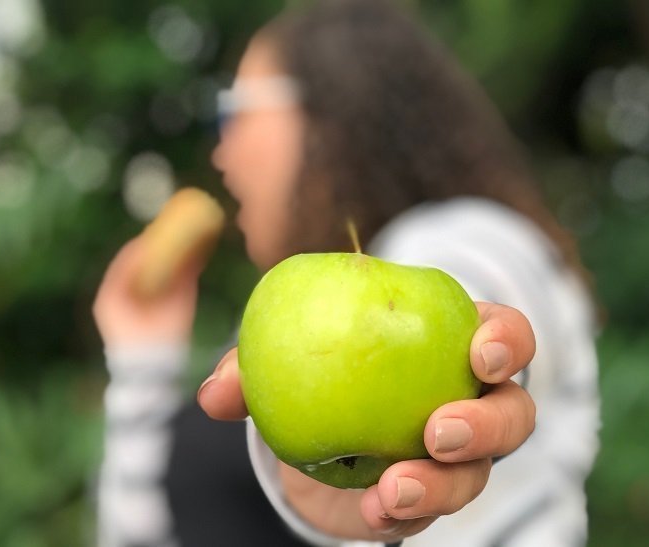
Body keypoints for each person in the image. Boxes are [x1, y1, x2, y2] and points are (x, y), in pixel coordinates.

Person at [94, 0, 600, 545]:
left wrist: (477, 369)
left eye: (234, 111)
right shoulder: (294, 338)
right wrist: (141, 362)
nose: (221, 152)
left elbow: (486, 307)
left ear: (331, 109)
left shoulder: (474, 235)